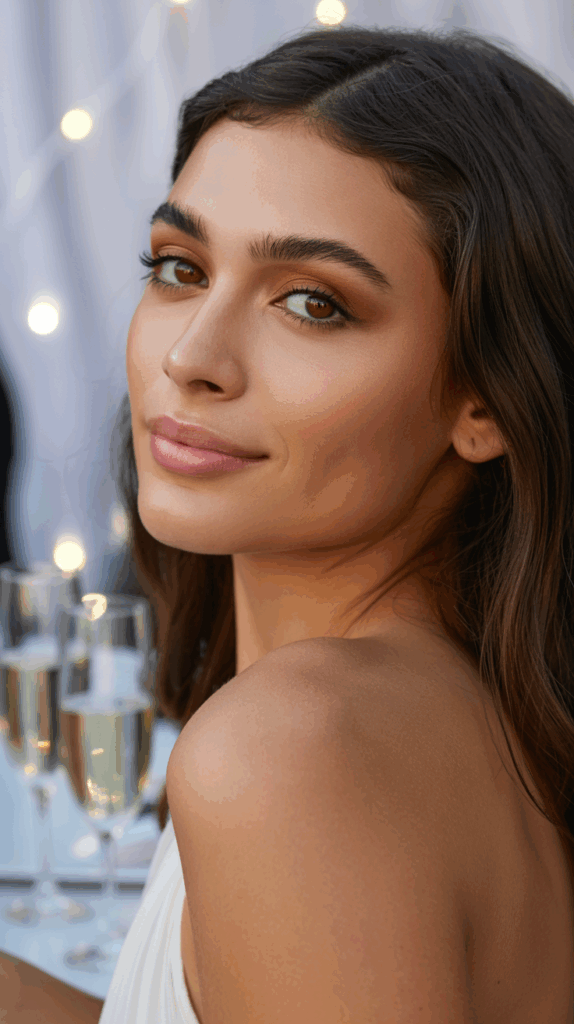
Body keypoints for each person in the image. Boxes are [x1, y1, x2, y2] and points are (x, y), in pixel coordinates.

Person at [5, 20, 574, 1023]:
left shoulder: (287, 753)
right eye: (180, 268)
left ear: (483, 397)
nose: (193, 357)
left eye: (312, 302)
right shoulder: (448, 701)